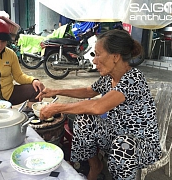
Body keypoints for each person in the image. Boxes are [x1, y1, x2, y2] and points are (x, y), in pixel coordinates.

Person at [36, 29, 162, 179]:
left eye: (98, 54)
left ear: (115, 57)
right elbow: (89, 91)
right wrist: (55, 91)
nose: (94, 60)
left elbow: (97, 107)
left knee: (123, 146)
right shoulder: (109, 77)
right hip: (116, 133)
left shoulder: (133, 79)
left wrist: (56, 107)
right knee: (83, 119)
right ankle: (95, 166)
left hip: (142, 145)